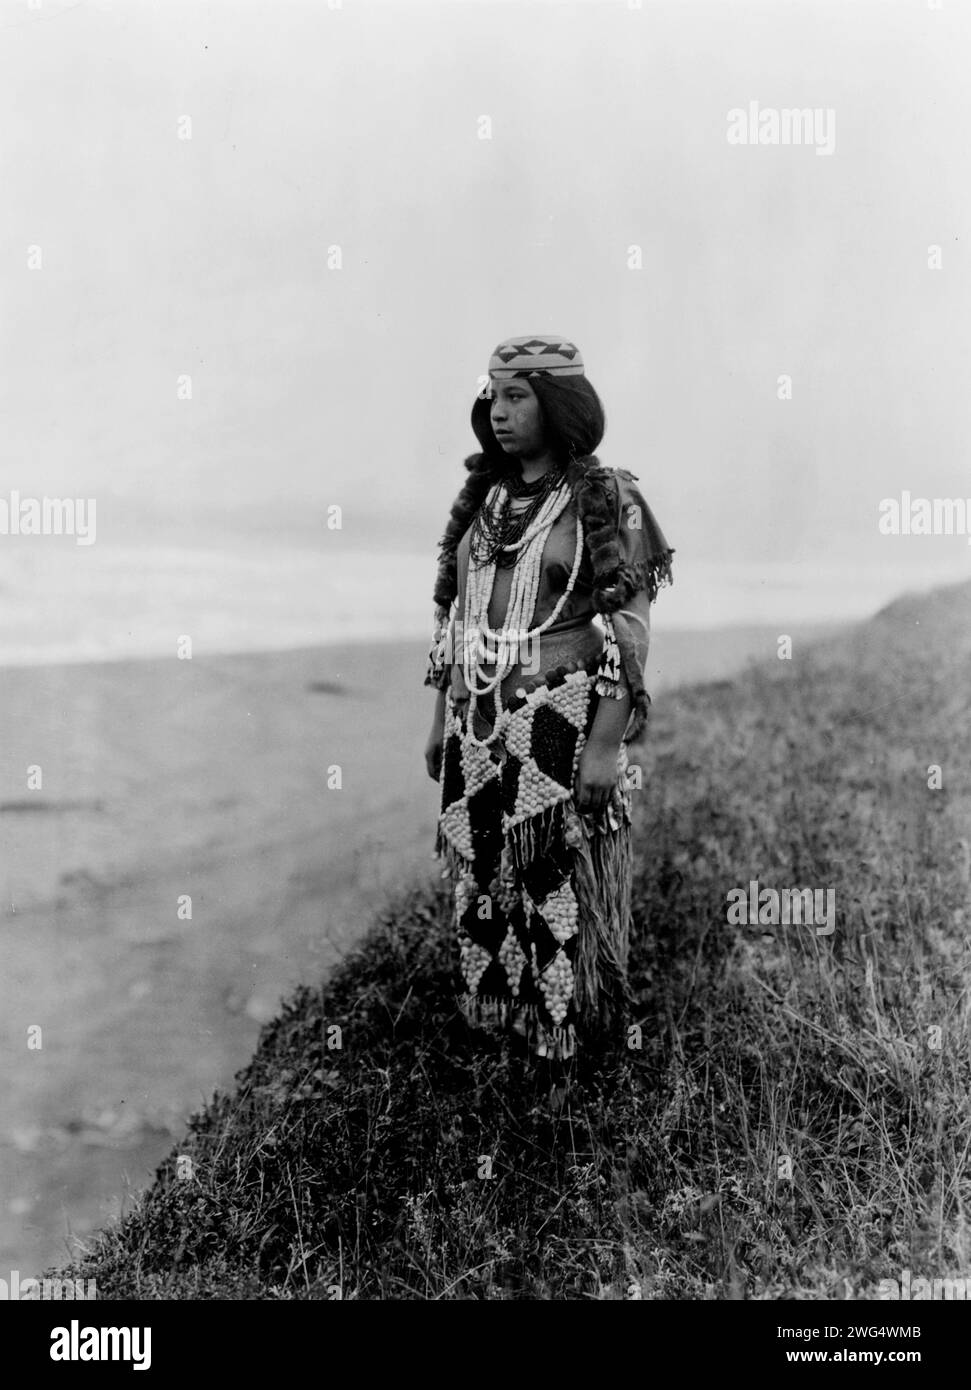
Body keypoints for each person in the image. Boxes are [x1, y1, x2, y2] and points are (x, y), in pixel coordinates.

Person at [424, 335, 673, 1061]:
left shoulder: (605, 497)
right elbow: (454, 620)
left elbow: (630, 629)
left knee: (551, 882)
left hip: (557, 721)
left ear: (556, 403)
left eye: (516, 395)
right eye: (491, 396)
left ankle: (567, 1046)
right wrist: (440, 719)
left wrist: (603, 748)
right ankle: (495, 1030)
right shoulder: (486, 499)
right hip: (477, 725)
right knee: (480, 882)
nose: (497, 412)